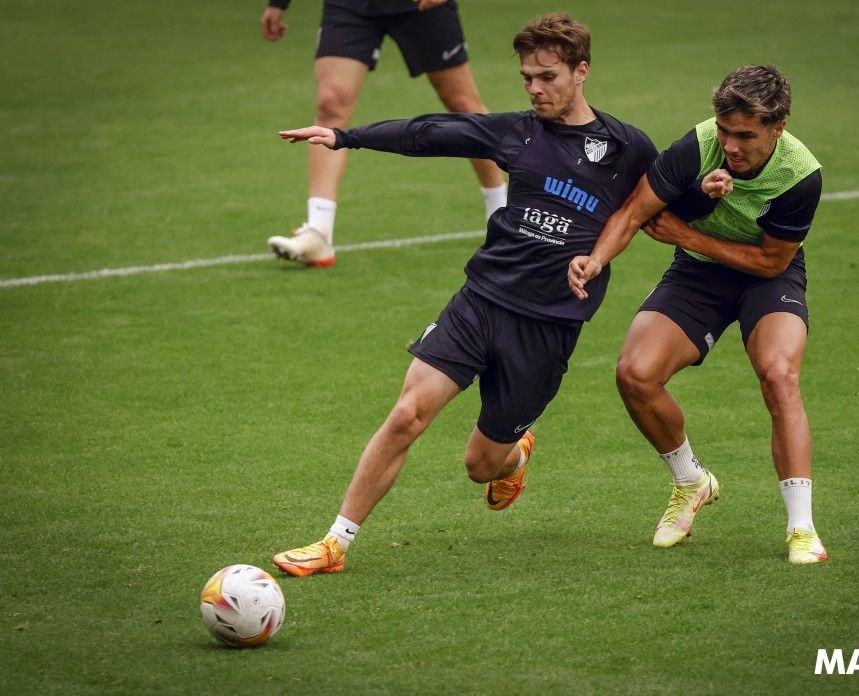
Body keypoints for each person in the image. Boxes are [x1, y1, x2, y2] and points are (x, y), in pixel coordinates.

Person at [271, 13, 658, 576]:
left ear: (582, 72)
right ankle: (335, 543)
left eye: (547, 76)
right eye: (526, 76)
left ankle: (514, 453)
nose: (534, 88)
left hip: (547, 327)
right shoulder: (518, 133)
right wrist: (345, 136)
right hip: (481, 300)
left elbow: (661, 205)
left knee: (481, 464)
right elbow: (429, 134)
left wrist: (710, 192)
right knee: (407, 413)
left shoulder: (627, 147)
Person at [568, 65, 827, 564]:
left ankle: (802, 528)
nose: (730, 145)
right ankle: (691, 482)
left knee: (779, 376)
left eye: (746, 135)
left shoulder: (799, 175)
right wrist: (595, 260)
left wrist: (688, 236)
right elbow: (635, 213)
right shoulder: (699, 144)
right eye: (725, 130)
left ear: (779, 127)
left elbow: (772, 260)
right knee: (635, 374)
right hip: (700, 275)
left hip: (767, 278)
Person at [260, 0, 508, 268]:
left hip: (419, 6)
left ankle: (502, 216)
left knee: (463, 105)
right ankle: (319, 232)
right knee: (330, 102)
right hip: (351, 6)